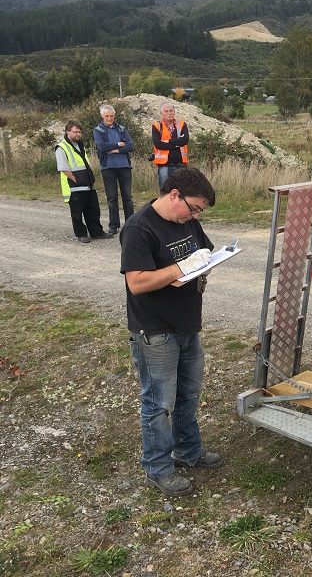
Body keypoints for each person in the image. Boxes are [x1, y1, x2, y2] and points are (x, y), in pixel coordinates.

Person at [120, 167, 222, 496]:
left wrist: (208, 260)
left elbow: (202, 251)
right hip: (156, 329)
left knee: (188, 395)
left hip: (187, 324)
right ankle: (158, 467)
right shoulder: (139, 227)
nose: (195, 216)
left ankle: (188, 451)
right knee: (159, 403)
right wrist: (181, 268)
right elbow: (136, 282)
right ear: (174, 194)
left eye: (200, 212)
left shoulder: (188, 220)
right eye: (193, 208)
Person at [54, 120, 113, 244]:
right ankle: (81, 234)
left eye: (79, 132)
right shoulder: (62, 147)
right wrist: (76, 180)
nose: (78, 134)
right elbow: (63, 168)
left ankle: (96, 232)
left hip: (87, 183)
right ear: (68, 131)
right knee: (77, 212)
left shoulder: (80, 145)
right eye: (75, 132)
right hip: (74, 186)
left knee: (93, 209)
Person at [93, 104, 134, 235]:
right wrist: (118, 144)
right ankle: (113, 226)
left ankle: (130, 224)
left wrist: (115, 150)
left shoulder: (121, 129)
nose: (109, 118)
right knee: (112, 198)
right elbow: (102, 146)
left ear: (114, 116)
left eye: (111, 116)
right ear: (102, 116)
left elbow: (131, 145)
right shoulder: (98, 130)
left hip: (124, 166)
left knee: (127, 197)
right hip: (108, 167)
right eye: (107, 116)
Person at [152, 102, 189, 189]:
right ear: (162, 113)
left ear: (174, 112)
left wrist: (167, 141)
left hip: (180, 164)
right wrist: (176, 145)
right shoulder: (157, 126)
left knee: (181, 191)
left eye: (171, 110)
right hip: (164, 165)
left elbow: (185, 140)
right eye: (166, 111)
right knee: (165, 190)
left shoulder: (182, 124)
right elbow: (157, 144)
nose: (169, 113)